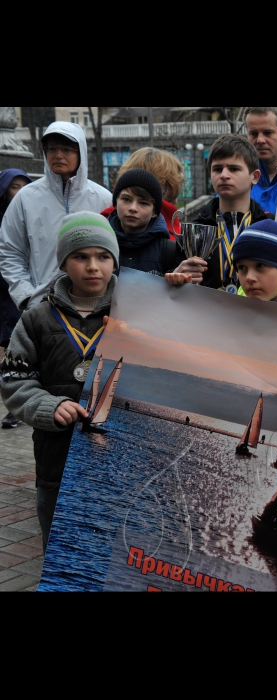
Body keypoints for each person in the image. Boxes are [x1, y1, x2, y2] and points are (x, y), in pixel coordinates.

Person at [0, 212, 119, 552]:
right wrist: (47, 406)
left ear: (115, 262)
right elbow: (14, 380)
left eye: (103, 256)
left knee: (109, 544)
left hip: (113, 460)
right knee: (60, 545)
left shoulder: (133, 314)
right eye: (80, 256)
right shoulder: (35, 318)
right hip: (55, 459)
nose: (93, 266)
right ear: (64, 263)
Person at [0, 122, 112, 312]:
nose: (58, 155)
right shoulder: (25, 198)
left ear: (80, 152)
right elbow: (9, 251)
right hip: (42, 307)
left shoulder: (103, 198)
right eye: (52, 149)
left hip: (94, 308)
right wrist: (27, 297)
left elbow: (115, 253)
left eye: (67, 149)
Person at [176, 135, 270, 290]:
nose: (224, 175)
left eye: (234, 169)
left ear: (255, 176)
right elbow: (177, 285)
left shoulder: (268, 229)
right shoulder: (195, 231)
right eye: (217, 169)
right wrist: (177, 276)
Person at [168, 219, 277, 309]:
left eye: (260, 266)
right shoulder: (233, 310)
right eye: (242, 268)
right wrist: (178, 293)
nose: (249, 278)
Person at [107, 169, 189, 276]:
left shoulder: (170, 251)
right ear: (115, 203)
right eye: (126, 199)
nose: (133, 208)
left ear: (154, 211)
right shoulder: (100, 245)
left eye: (143, 203)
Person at [1, 170, 32, 429]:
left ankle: (16, 408)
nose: (19, 191)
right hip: (3, 293)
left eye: (24, 186)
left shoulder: (28, 215)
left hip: (19, 295)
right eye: (14, 186)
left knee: (17, 348)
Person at [100, 148, 185, 237]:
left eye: (143, 203)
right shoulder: (171, 237)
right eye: (126, 199)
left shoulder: (101, 225)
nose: (175, 200)